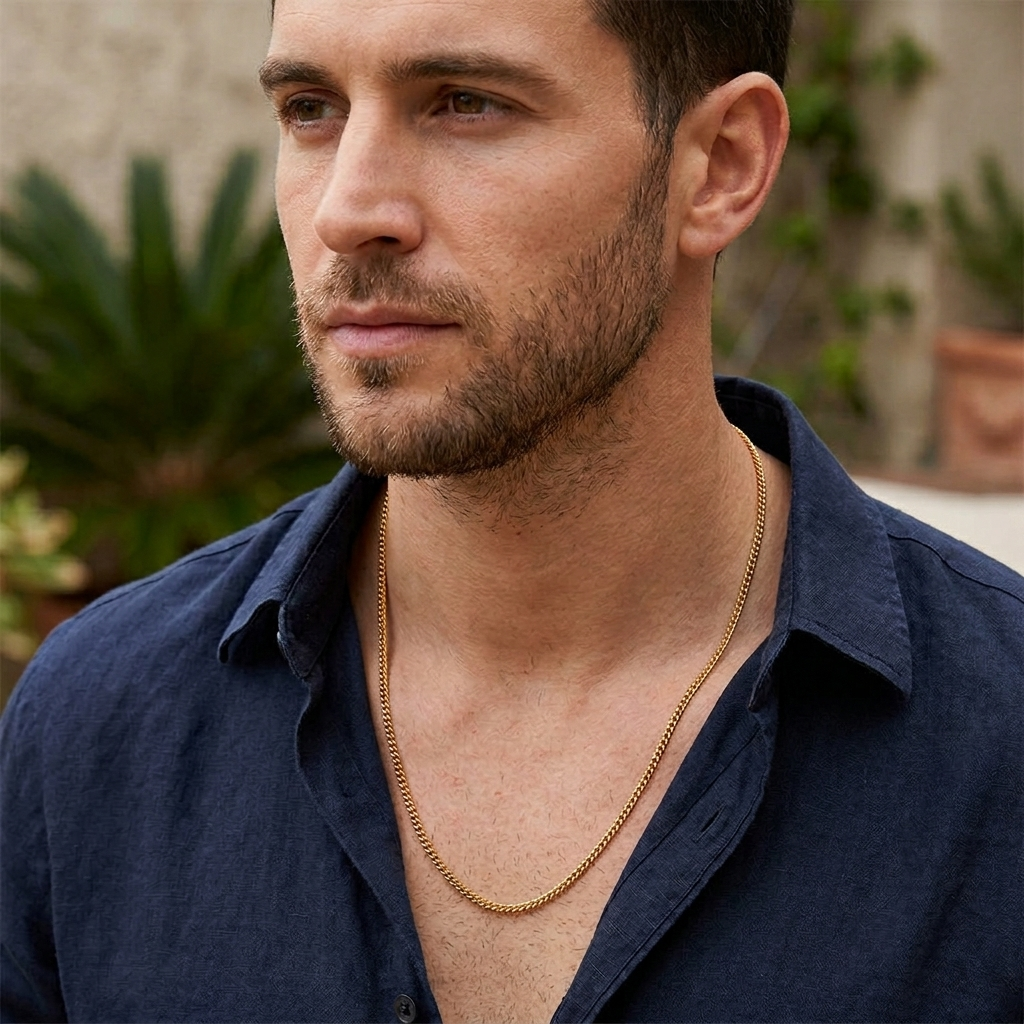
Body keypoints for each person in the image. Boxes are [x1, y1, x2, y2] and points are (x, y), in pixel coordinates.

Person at [2, 0, 1021, 1020]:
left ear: (719, 164)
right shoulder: (98, 730)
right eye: (311, 107)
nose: (347, 211)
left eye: (465, 104)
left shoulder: (994, 741)